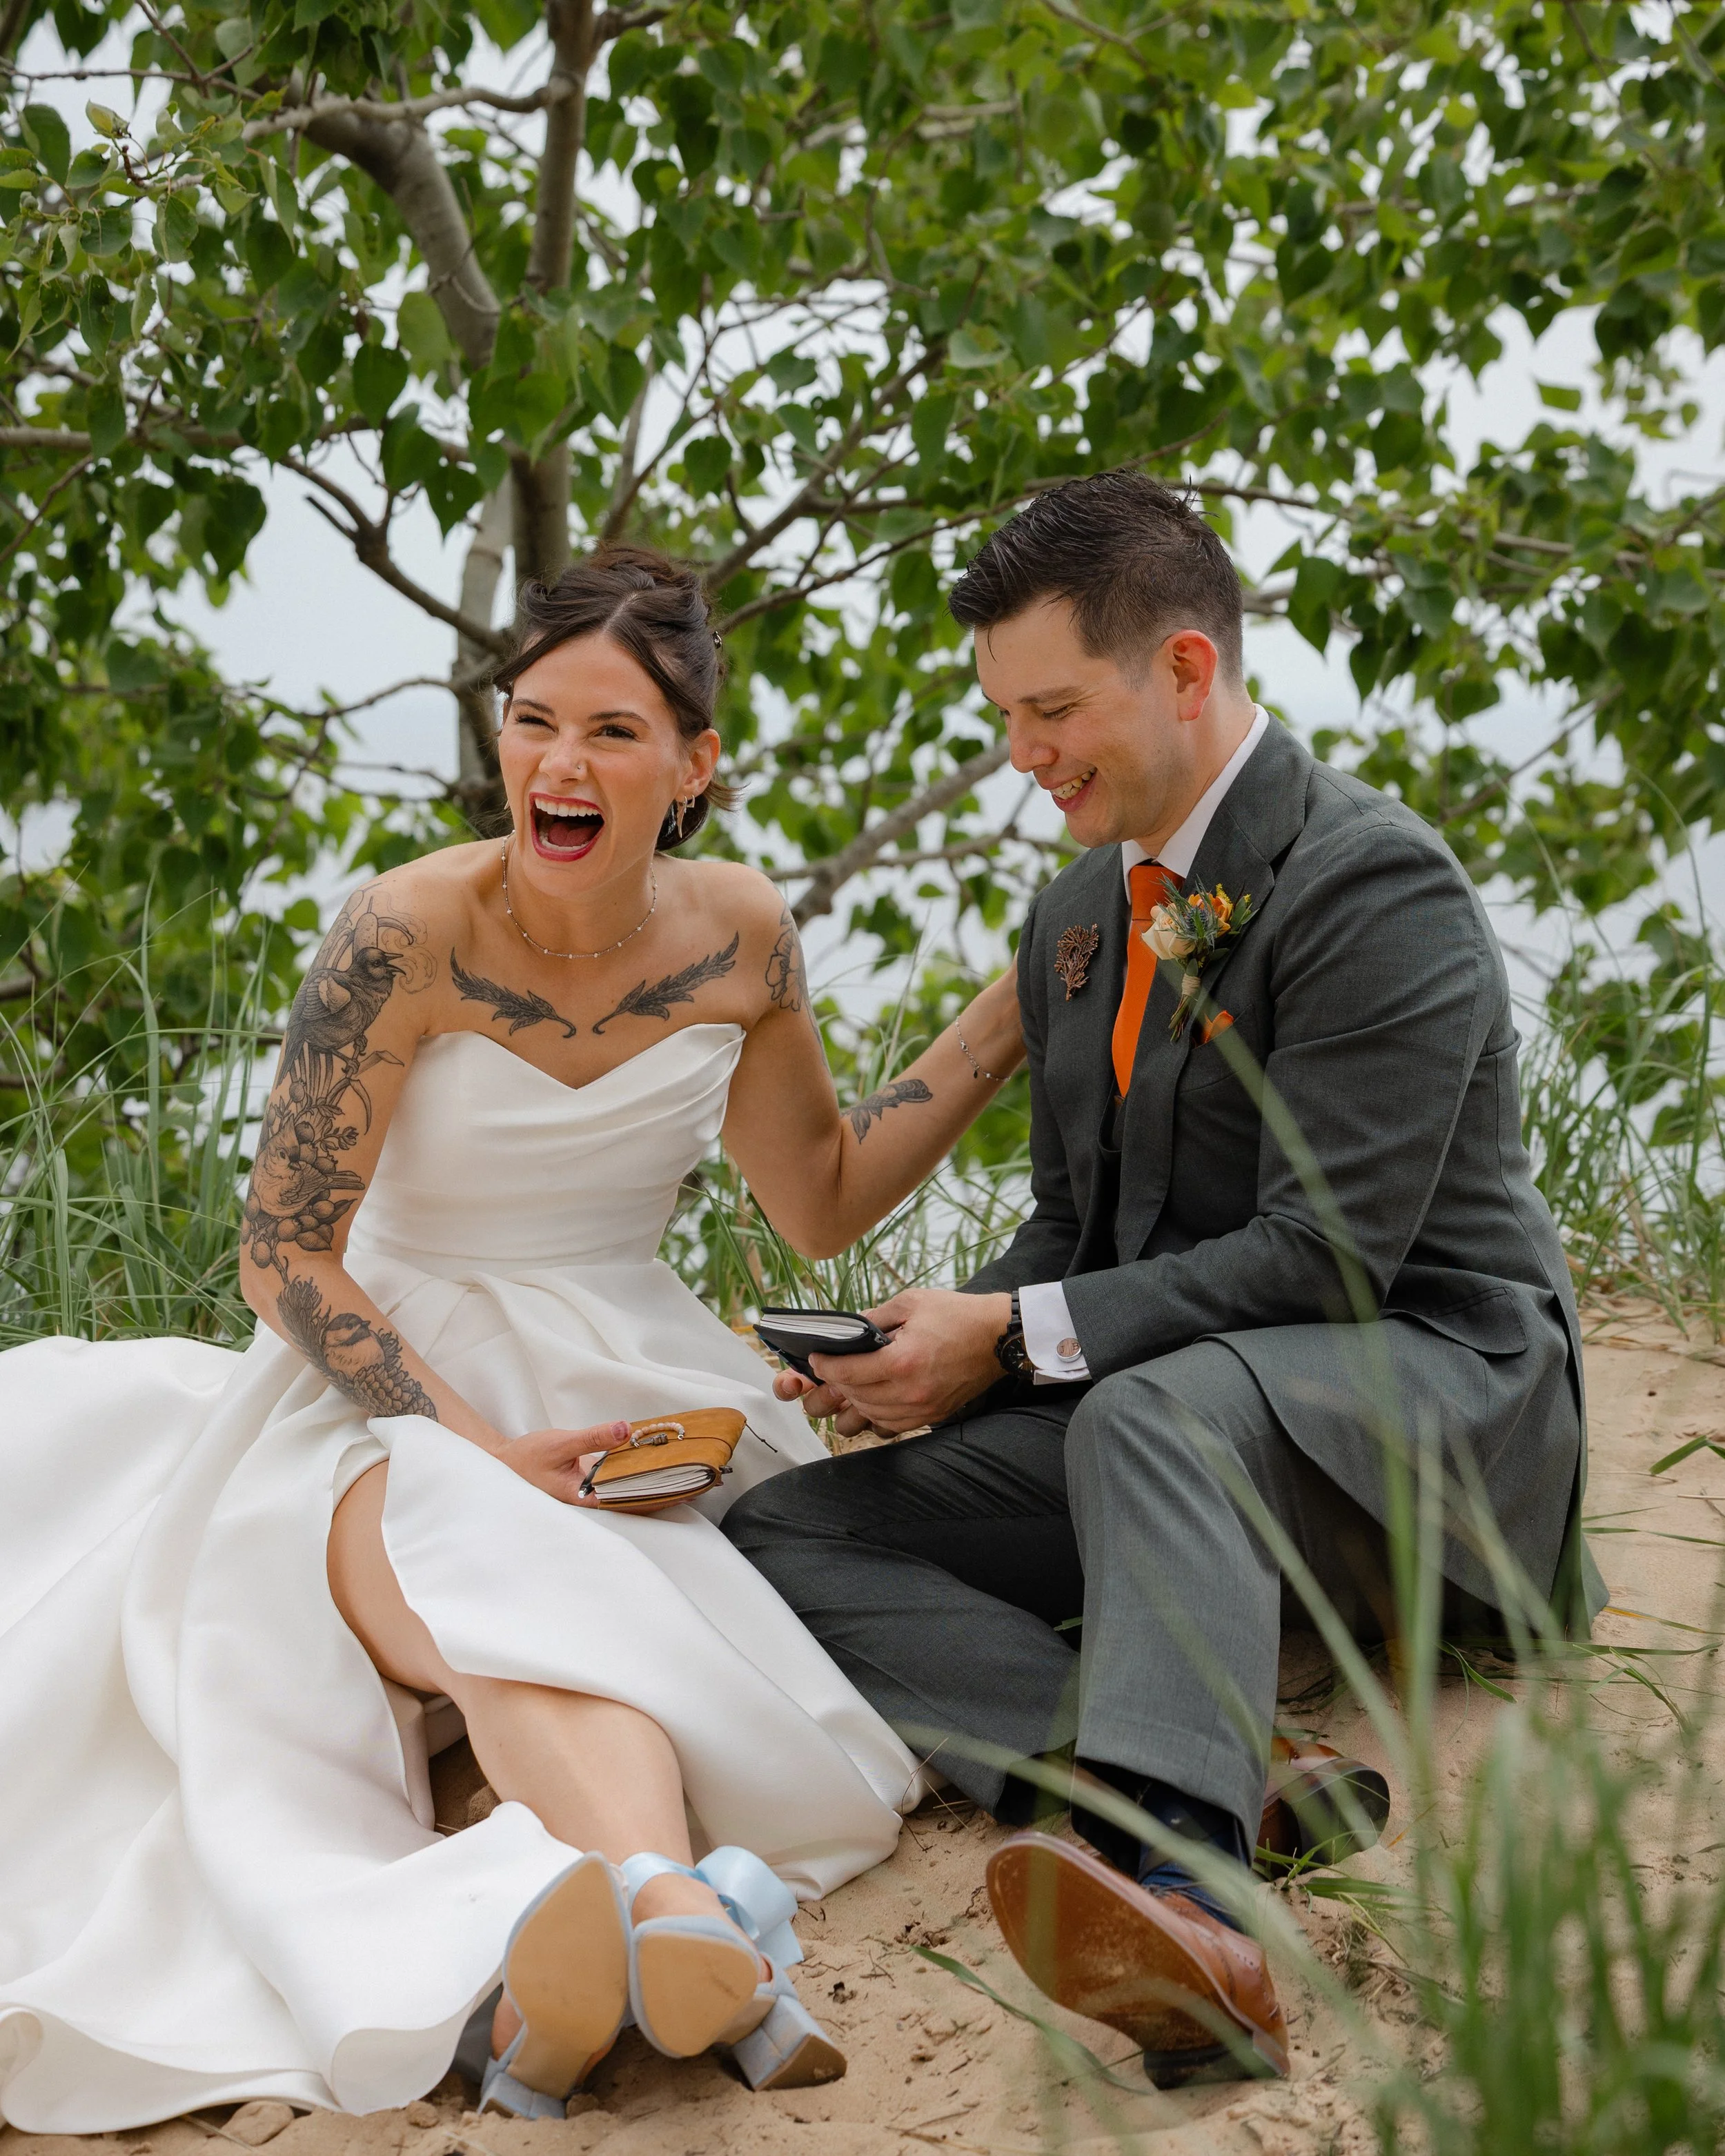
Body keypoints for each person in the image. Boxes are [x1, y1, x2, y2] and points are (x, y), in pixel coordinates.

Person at [0, 546, 1026, 2133]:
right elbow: (282, 1253)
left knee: (570, 1616)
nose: (559, 762)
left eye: (613, 732)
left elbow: (819, 1196)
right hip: (385, 1373)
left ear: (695, 766)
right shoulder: (402, 927)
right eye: (532, 718)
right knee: (463, 1523)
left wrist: (1008, 1011)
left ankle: (663, 1909)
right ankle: (680, 1903)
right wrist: (479, 1440)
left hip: (631, 1371)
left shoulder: (743, 931)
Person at [724, 471, 1597, 2088]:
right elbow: (1074, 1230)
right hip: (1176, 1429)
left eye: (1052, 705)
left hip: (1430, 1425)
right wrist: (926, 1343)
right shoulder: (1075, 912)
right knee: (780, 1531)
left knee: (1151, 1411)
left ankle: (1187, 1900)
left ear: (1184, 670)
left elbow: (1329, 1255)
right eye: (1002, 714)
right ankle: (1203, 1763)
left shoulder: (1369, 882)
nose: (1023, 752)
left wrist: (1016, 1335)